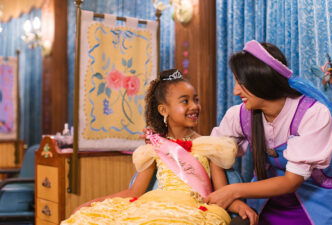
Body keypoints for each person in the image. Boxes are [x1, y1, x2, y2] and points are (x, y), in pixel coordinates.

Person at [61, 69, 258, 225]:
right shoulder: (154, 148)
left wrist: (239, 206)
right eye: (185, 101)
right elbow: (133, 193)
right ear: (164, 110)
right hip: (154, 205)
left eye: (196, 100)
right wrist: (95, 202)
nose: (194, 106)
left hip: (193, 210)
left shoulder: (210, 146)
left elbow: (221, 193)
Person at [206, 40, 332, 225]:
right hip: (265, 200)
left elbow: (292, 181)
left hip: (315, 202)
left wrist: (234, 191)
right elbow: (215, 155)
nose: (235, 91)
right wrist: (232, 202)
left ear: (261, 80)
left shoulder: (313, 114)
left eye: (241, 82)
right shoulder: (238, 115)